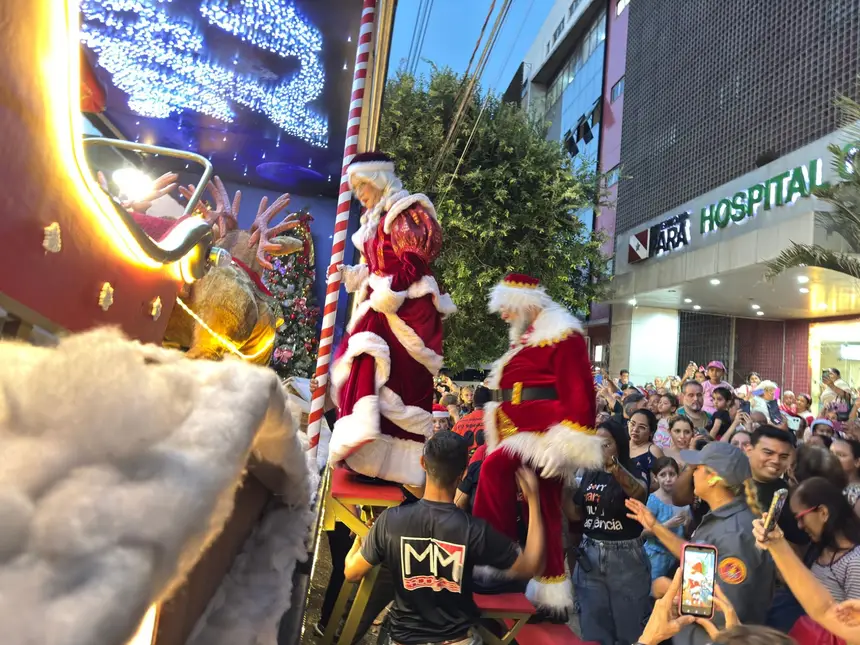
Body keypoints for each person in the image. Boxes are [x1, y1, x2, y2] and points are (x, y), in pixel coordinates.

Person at [471, 273, 602, 614]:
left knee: (493, 471)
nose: (504, 316)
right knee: (543, 510)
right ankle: (549, 591)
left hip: (540, 435)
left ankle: (496, 559)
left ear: (525, 304)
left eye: (507, 308)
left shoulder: (563, 334)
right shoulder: (528, 339)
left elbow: (580, 392)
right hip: (517, 429)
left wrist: (565, 446)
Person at [343, 432, 545, 645]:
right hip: (455, 641)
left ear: (423, 463)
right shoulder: (474, 530)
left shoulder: (390, 521)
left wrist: (360, 539)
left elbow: (352, 573)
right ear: (463, 473)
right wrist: (534, 501)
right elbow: (530, 566)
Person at [329, 151, 455, 486]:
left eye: (363, 185)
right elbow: (376, 266)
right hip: (381, 304)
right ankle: (364, 451)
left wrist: (392, 289)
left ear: (379, 179)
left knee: (393, 379)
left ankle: (389, 461)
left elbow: (415, 261)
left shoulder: (404, 211)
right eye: (355, 188)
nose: (359, 193)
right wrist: (352, 274)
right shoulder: (372, 220)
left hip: (406, 309)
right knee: (362, 362)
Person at [626, 442, 775, 645]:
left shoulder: (734, 534)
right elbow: (701, 559)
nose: (692, 474)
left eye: (697, 468)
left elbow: (726, 610)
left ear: (713, 478)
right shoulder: (724, 518)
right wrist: (655, 526)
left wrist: (670, 590)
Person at [566, 418, 651, 644]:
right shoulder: (590, 473)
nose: (600, 449)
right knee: (593, 630)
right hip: (590, 555)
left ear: (619, 445)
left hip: (625, 558)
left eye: (606, 444)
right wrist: (562, 482)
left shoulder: (634, 469)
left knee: (629, 632)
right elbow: (576, 514)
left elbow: (639, 494)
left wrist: (613, 467)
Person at [643, 456, 688, 581]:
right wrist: (667, 525)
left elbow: (687, 530)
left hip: (676, 556)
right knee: (655, 588)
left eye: (672, 474)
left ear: (678, 476)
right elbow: (643, 532)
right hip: (656, 557)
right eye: (663, 475)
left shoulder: (683, 499)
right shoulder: (653, 500)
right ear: (655, 477)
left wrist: (687, 523)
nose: (668, 479)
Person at [629, 408, 664, 486]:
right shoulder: (620, 445)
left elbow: (662, 481)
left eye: (642, 427)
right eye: (632, 424)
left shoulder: (654, 451)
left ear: (651, 432)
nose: (635, 429)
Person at [451, 385, 489, 456]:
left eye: (472, 395)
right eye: (466, 395)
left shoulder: (459, 423)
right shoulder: (497, 421)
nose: (469, 397)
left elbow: (450, 444)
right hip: (488, 460)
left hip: (465, 461)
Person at [832, 437, 860, 513]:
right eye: (830, 453)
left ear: (857, 462)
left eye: (840, 455)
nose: (833, 458)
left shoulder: (856, 495)